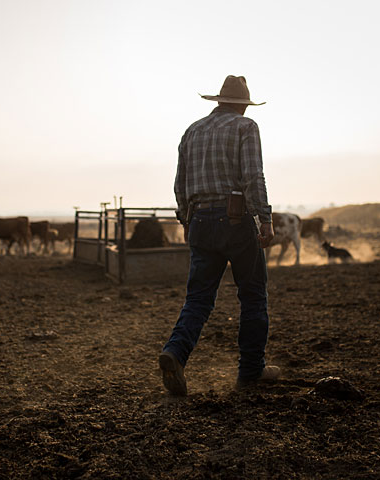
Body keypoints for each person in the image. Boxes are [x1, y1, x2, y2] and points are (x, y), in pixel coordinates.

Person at [159, 75, 279, 395]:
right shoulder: (245, 127)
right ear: (242, 105)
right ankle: (251, 370)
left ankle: (175, 352)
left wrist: (187, 221)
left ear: (218, 101)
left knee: (198, 298)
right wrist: (265, 219)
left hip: (199, 220)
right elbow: (253, 175)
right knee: (252, 295)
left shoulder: (192, 131)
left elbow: (179, 184)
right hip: (236, 220)